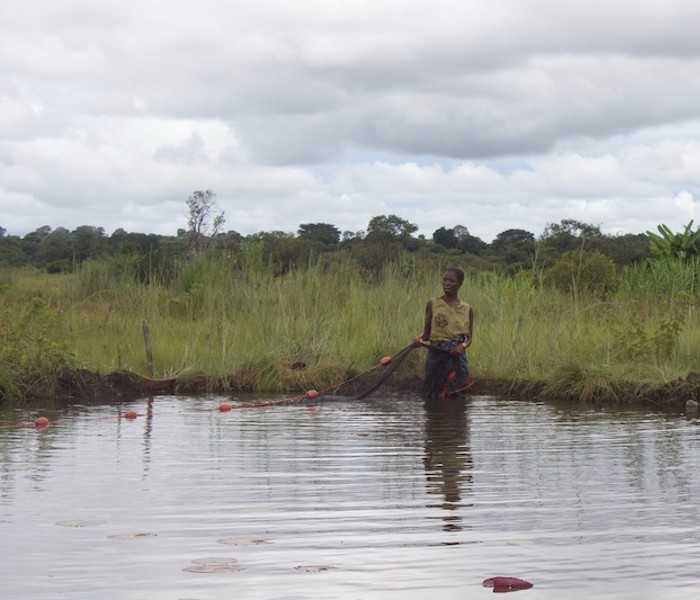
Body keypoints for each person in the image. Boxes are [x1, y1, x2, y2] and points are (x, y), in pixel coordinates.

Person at [413, 267, 473, 401]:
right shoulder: (433, 304)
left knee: (455, 391)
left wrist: (461, 346)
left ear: (460, 284)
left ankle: (456, 420)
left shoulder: (467, 309)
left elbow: (469, 339)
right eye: (445, 280)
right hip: (436, 354)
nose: (447, 283)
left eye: (452, 281)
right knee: (432, 392)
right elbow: (426, 335)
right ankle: (435, 420)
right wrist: (418, 340)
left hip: (456, 355)